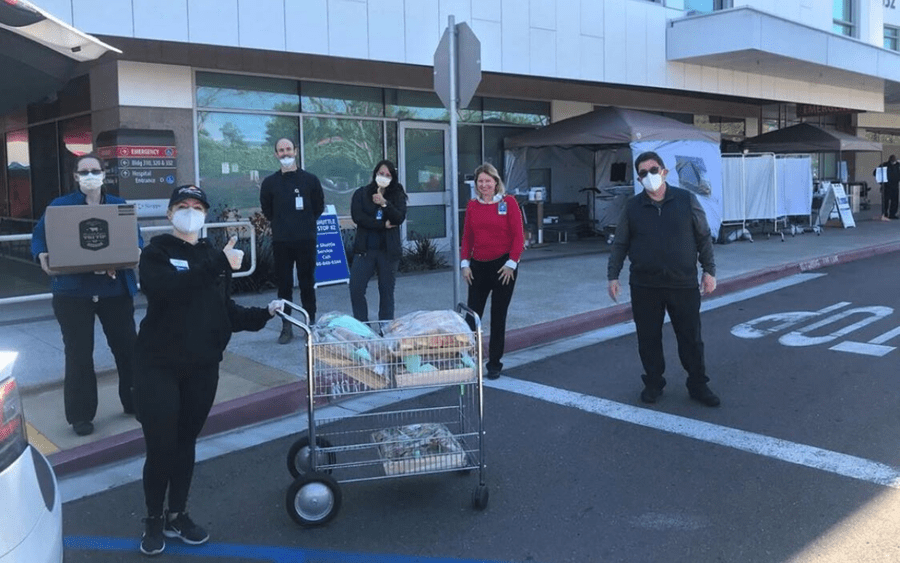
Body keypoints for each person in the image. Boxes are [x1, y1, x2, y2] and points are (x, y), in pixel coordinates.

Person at [134, 185, 284, 556]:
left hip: (201, 367)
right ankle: (153, 519)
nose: (190, 212)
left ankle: (177, 514)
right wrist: (218, 263)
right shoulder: (157, 253)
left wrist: (264, 314)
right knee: (161, 446)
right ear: (170, 215)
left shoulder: (211, 256)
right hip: (158, 366)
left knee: (185, 444)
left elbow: (224, 311)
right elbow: (168, 290)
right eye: (182, 206)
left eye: (197, 206)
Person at [30, 153, 142, 437]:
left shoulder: (119, 207)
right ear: (76, 177)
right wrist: (41, 253)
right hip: (74, 294)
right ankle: (81, 416)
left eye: (95, 170)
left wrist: (132, 252)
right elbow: (40, 235)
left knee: (128, 349)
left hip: (114, 291)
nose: (90, 175)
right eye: (84, 171)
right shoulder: (59, 207)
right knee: (79, 354)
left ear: (104, 174)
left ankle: (135, 402)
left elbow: (134, 238)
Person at [607, 151, 720, 408]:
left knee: (690, 338)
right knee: (648, 338)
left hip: (682, 283)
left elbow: (703, 237)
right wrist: (612, 275)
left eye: (654, 170)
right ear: (639, 178)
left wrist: (709, 271)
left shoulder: (686, 199)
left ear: (665, 171)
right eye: (644, 173)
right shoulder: (633, 207)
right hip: (645, 285)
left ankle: (698, 384)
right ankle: (653, 383)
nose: (650, 176)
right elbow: (621, 243)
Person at [460, 163, 525, 380]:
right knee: (473, 317)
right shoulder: (472, 206)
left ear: (496, 182)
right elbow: (467, 237)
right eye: (481, 181)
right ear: (476, 184)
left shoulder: (509, 203)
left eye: (488, 180)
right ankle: (468, 359)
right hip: (478, 266)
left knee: (498, 317)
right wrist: (464, 263)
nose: (484, 184)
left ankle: (495, 363)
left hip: (503, 268)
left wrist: (512, 263)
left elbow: (518, 237)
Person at [260, 137, 325, 342]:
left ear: (295, 151)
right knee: (284, 285)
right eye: (281, 150)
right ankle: (286, 325)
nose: (285, 153)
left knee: (307, 282)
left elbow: (318, 207)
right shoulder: (270, 183)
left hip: (305, 239)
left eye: (288, 149)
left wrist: (303, 223)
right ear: (276, 154)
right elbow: (267, 210)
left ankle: (310, 322)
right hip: (282, 241)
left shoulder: (310, 180)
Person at [348, 160, 408, 323]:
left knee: (386, 292)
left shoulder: (397, 194)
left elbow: (399, 217)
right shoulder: (361, 193)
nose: (384, 177)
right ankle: (362, 327)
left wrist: (384, 203)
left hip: (388, 251)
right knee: (356, 289)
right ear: (375, 174)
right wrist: (382, 224)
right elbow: (358, 217)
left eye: (388, 175)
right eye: (381, 174)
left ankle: (385, 329)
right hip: (365, 249)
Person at [878, 155, 900, 220]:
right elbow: (877, 172)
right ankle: (885, 214)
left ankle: (892, 214)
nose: (894, 160)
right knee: (885, 201)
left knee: (895, 201)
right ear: (889, 159)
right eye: (892, 159)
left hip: (895, 185)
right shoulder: (884, 165)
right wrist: (880, 182)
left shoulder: (898, 165)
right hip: (886, 186)